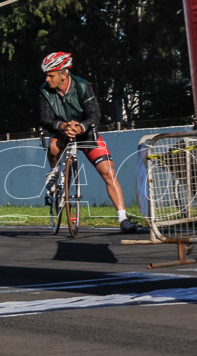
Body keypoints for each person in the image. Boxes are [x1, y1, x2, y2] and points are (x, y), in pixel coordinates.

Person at [39, 52, 138, 233]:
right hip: (62, 132)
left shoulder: (83, 86)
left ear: (64, 73)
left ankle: (123, 218)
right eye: (46, 75)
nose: (47, 79)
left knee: (108, 171)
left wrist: (80, 127)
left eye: (51, 75)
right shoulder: (45, 90)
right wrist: (63, 126)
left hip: (85, 132)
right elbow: (45, 119)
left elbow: (95, 115)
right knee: (53, 147)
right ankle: (54, 175)